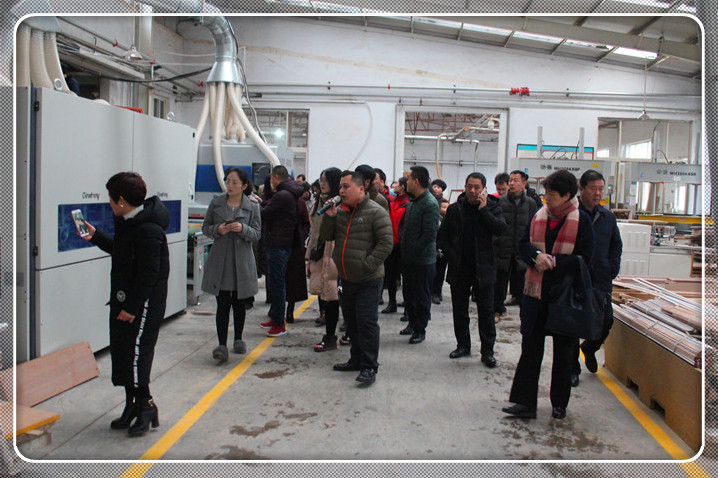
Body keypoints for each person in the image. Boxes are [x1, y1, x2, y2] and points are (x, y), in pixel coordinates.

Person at [80, 172, 168, 437]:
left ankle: (146, 406)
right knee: (123, 354)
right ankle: (132, 405)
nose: (108, 203)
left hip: (142, 305)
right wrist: (96, 236)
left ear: (120, 201)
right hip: (124, 299)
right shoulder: (128, 222)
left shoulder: (149, 229)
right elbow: (123, 252)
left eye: (110, 198)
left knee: (137, 355)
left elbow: (149, 274)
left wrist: (132, 307)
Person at [502, 169, 594, 420]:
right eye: (546, 193)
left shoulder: (581, 220)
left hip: (564, 295)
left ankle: (559, 403)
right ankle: (525, 403)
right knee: (530, 348)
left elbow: (585, 258)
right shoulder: (539, 215)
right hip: (536, 294)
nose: (547, 198)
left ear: (567, 195)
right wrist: (535, 256)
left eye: (552, 194)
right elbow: (523, 244)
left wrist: (554, 262)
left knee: (564, 352)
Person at [320, 170, 393, 385]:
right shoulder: (341, 212)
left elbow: (386, 243)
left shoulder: (376, 212)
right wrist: (329, 217)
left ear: (361, 188)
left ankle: (369, 366)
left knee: (366, 323)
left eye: (346, 187)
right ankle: (356, 359)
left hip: (368, 280)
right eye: (340, 187)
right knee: (351, 321)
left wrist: (366, 265)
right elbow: (326, 236)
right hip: (345, 278)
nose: (341, 191)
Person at [437, 172, 506, 367]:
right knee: (460, 310)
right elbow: (442, 236)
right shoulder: (455, 209)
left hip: (484, 268)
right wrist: (452, 254)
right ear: (465, 187)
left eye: (477, 187)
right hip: (460, 268)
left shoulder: (493, 207)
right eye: (470, 187)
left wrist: (484, 210)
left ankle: (488, 352)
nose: (473, 191)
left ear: (484, 189)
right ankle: (463, 346)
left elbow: (500, 229)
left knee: (486, 312)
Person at [201, 168, 261, 363]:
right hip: (221, 260)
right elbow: (205, 228)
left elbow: (257, 234)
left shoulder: (252, 206)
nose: (230, 185)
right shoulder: (216, 203)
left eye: (235, 182)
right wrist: (218, 229)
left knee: (239, 302)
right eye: (228, 181)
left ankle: (238, 338)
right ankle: (221, 344)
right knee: (222, 303)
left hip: (242, 261)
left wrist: (242, 228)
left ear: (244, 185)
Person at [570, 170, 622, 386]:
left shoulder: (607, 217)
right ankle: (572, 369)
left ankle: (590, 348)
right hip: (576, 278)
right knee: (573, 325)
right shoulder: (571, 214)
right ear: (581, 189)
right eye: (593, 189)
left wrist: (612, 268)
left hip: (601, 278)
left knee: (605, 320)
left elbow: (615, 245)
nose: (598, 193)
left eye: (601, 189)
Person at [259, 165, 304, 337]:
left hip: (278, 244)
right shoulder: (289, 194)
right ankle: (275, 316)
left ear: (276, 178)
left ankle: (279, 323)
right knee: (275, 283)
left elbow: (265, 213)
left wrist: (256, 205)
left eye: (271, 179)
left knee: (277, 284)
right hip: (281, 243)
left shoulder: (282, 195)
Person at [399, 166, 440, 344]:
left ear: (416, 181)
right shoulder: (413, 201)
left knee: (421, 296)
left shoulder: (429, 204)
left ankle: (420, 329)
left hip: (422, 260)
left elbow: (429, 235)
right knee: (409, 294)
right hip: (408, 258)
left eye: (408, 179)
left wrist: (413, 251)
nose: (406, 182)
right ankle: (412, 322)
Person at [493, 170, 538, 322]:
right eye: (510, 180)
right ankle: (497, 311)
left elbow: (533, 226)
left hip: (521, 251)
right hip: (503, 250)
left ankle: (524, 317)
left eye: (515, 180)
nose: (511, 183)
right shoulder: (500, 201)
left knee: (522, 286)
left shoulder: (530, 203)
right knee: (499, 284)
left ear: (524, 184)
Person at [307, 167, 343, 352]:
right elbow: (314, 231)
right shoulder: (318, 202)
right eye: (321, 179)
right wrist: (310, 255)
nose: (322, 183)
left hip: (334, 254)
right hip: (319, 253)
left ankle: (332, 336)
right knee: (324, 295)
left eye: (326, 180)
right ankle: (330, 335)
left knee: (333, 297)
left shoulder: (339, 204)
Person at [382, 177, 409, 315]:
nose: (394, 186)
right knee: (390, 276)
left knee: (407, 278)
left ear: (403, 186)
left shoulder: (408, 204)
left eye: (397, 183)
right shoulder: (393, 202)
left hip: (403, 246)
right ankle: (391, 303)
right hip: (391, 245)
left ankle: (408, 308)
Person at [430, 195, 450, 304]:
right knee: (433, 272)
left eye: (447, 207)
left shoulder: (450, 220)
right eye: (444, 207)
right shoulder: (435, 220)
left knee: (441, 273)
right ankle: (432, 292)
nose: (446, 210)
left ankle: (437, 292)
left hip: (445, 251)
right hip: (435, 249)